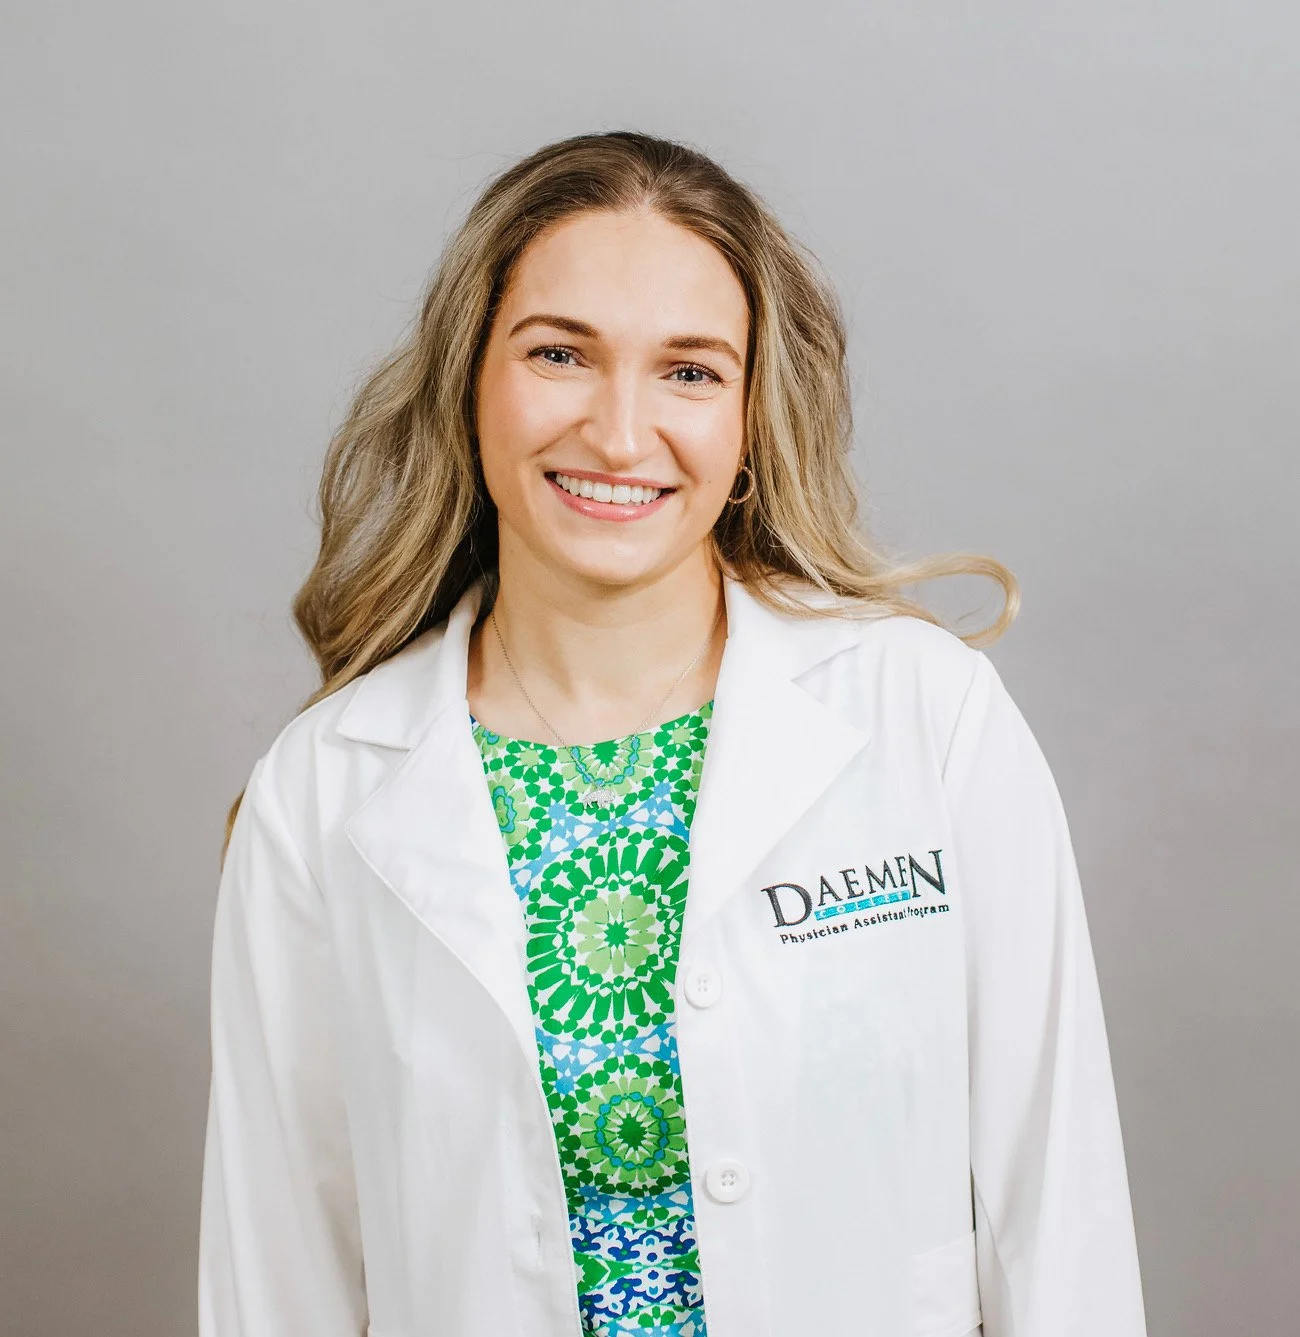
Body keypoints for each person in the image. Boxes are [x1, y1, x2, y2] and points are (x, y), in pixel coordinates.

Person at [198, 130, 1147, 1337]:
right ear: (467, 382)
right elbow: (276, 1275)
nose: (618, 432)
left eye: (689, 371)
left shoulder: (926, 717)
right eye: (559, 354)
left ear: (749, 418)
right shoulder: (322, 794)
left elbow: (1057, 1216)